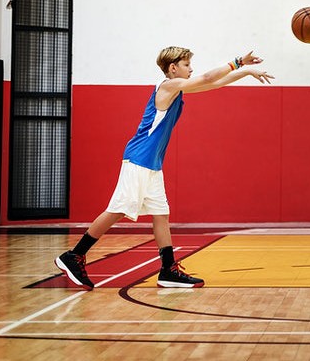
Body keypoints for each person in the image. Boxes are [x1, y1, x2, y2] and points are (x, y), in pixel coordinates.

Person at [55, 47, 274, 290]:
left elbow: (214, 84)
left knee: (161, 213)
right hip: (138, 160)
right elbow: (208, 78)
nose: (191, 69)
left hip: (151, 164)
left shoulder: (178, 89)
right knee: (118, 209)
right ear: (173, 68)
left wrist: (246, 72)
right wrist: (238, 61)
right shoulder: (167, 87)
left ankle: (168, 270)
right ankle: (74, 256)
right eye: (187, 64)